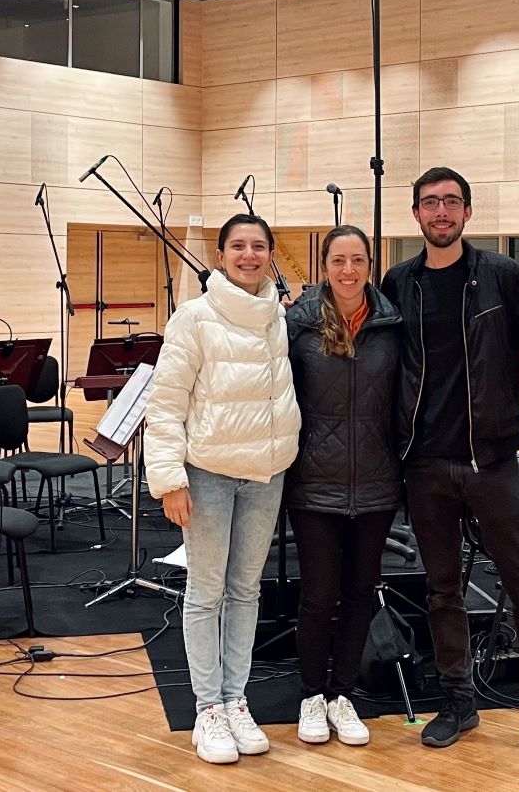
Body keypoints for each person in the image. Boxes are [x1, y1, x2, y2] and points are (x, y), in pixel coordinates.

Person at [379, 166, 519, 765]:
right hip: (424, 464)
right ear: (415, 214)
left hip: (492, 458)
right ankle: (458, 701)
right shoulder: (399, 282)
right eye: (430, 203)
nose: (440, 212)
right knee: (442, 591)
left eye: (451, 202)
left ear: (468, 213)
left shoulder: (500, 275)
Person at [144, 214, 301, 765]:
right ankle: (207, 708)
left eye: (259, 246)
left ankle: (237, 700)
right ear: (221, 254)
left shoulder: (277, 319)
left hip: (266, 473)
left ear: (270, 255)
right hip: (208, 473)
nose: (250, 255)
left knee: (246, 591)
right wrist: (168, 479)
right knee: (205, 592)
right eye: (239, 246)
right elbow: (164, 404)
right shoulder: (193, 317)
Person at [284, 225, 404, 747]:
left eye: (357, 260)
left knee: (360, 595)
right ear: (325, 265)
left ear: (370, 265)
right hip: (315, 483)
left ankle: (343, 695)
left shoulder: (393, 324)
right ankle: (312, 695)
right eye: (338, 260)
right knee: (318, 597)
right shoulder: (299, 324)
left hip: (377, 482)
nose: (348, 270)